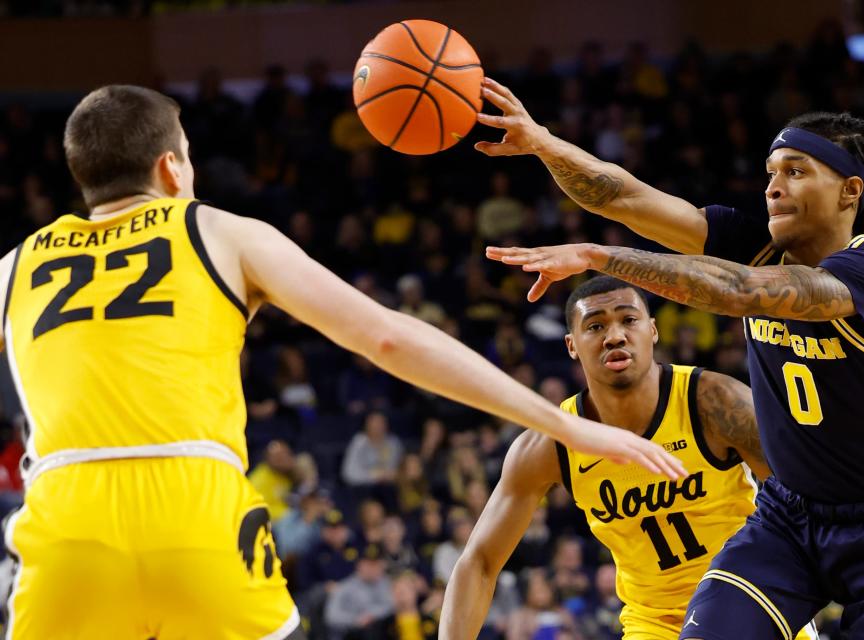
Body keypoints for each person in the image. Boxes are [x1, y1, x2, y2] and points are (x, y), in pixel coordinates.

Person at [0, 85, 688, 640]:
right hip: (193, 508)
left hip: (65, 524)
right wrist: (567, 426)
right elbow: (386, 338)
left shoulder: (15, 266)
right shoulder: (218, 230)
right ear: (170, 167)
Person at [479, 77, 864, 639]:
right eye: (771, 172)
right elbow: (624, 197)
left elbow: (743, 291)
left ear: (850, 191)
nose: (773, 186)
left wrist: (602, 257)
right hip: (790, 519)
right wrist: (543, 142)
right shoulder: (754, 243)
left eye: (796, 170)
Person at [440, 277, 818, 639]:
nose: (615, 336)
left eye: (629, 320)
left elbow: (807, 504)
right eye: (596, 326)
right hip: (654, 621)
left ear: (652, 330)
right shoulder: (548, 444)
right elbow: (479, 562)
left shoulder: (715, 402)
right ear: (572, 345)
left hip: (752, 594)